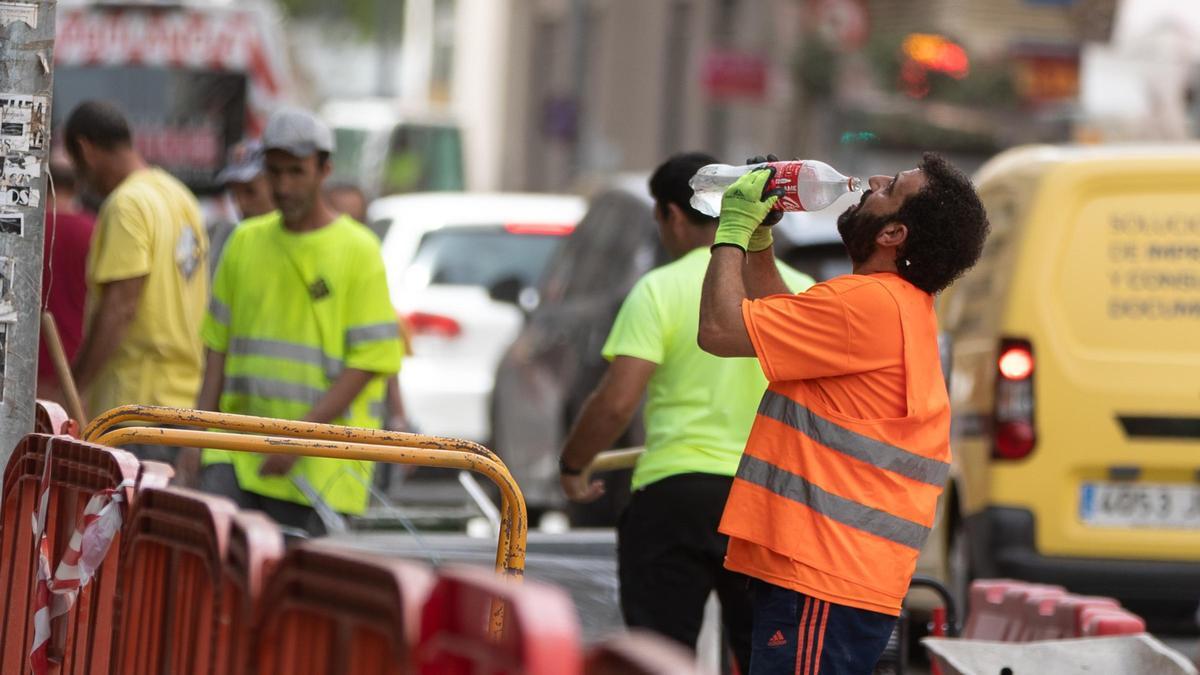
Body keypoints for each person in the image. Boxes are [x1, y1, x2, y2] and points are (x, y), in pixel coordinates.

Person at [697, 153, 989, 674]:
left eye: (891, 186)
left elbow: (720, 331)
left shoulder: (868, 306)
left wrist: (732, 231)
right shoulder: (894, 304)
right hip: (835, 577)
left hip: (822, 578)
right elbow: (782, 328)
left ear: (893, 232)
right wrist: (762, 242)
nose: (872, 181)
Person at [558, 153, 814, 670]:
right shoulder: (799, 292)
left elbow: (615, 402)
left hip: (674, 496)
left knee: (659, 657)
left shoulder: (659, 288)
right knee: (763, 654)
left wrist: (572, 466)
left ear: (673, 215)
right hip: (767, 499)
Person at [188, 108, 404, 535]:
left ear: (324, 170)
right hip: (237, 454)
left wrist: (297, 438)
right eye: (275, 172)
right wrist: (196, 440)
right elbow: (217, 350)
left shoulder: (358, 251)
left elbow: (369, 362)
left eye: (296, 172)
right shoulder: (244, 242)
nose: (283, 186)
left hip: (322, 469)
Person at [65, 101, 208, 459]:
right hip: (183, 402)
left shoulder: (126, 204)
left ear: (85, 149)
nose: (83, 181)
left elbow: (121, 307)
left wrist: (74, 385)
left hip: (132, 406)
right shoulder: (180, 197)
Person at [37, 151, 96, 403]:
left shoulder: (27, 232)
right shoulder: (93, 230)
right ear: (78, 184)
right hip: (76, 371)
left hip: (28, 367)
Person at [209, 139, 274, 274]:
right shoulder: (229, 241)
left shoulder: (299, 239)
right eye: (234, 194)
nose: (240, 203)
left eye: (250, 191)